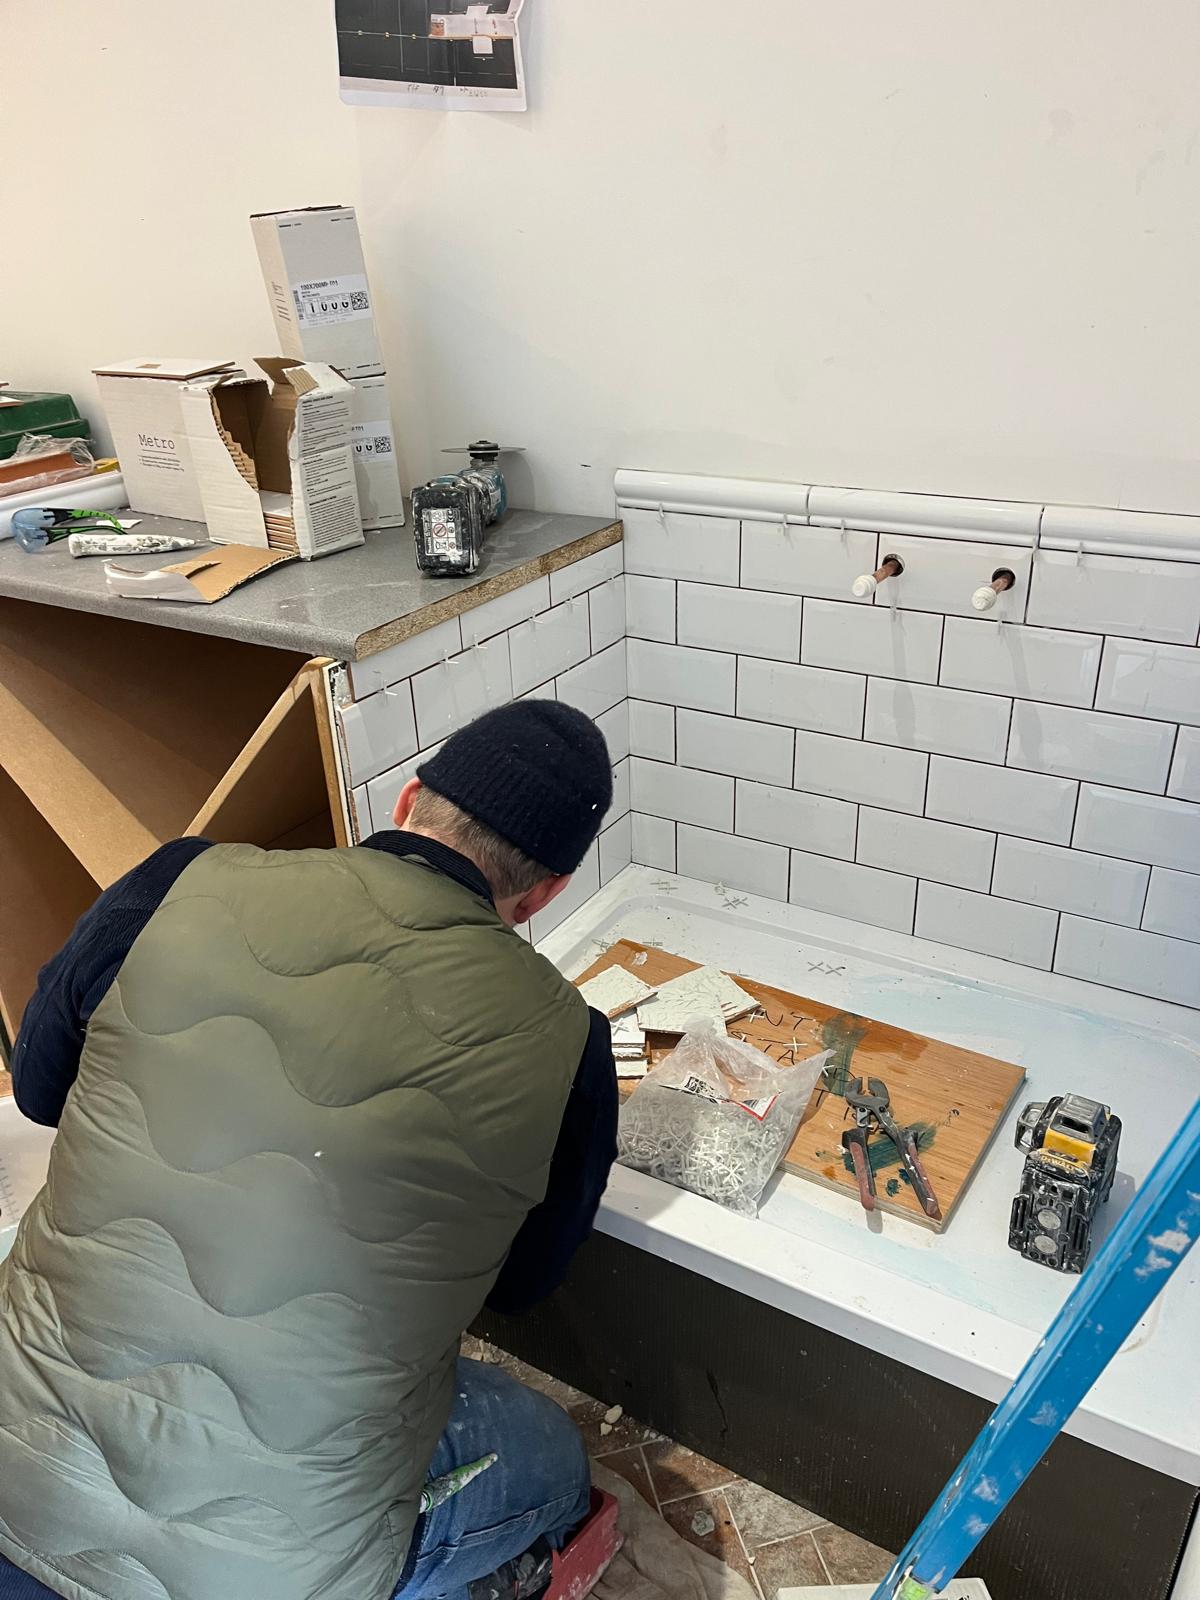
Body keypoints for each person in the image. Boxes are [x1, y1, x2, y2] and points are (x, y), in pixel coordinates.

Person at [0, 699, 619, 1600]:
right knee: (548, 1455)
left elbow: (38, 1085)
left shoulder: (181, 878)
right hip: (268, 1573)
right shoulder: (570, 1040)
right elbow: (520, 1284)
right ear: (545, 894)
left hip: (16, 1467)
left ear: (408, 799)